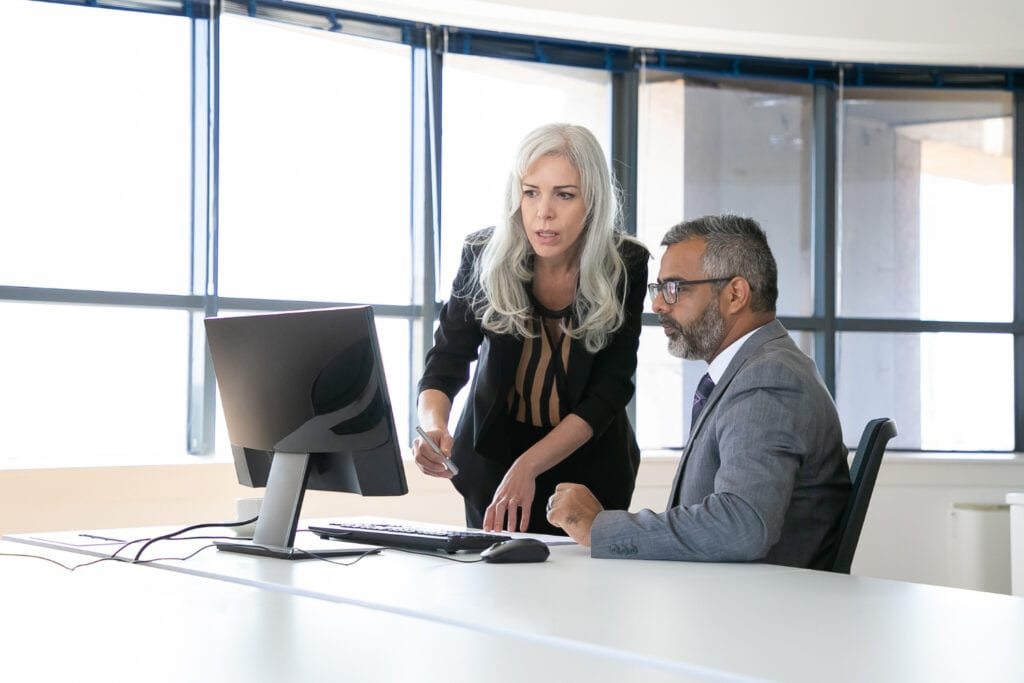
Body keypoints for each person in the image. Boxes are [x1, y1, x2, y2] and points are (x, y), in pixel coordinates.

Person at [546, 214, 851, 568]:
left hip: (752, 613)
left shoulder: (768, 378)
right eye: (658, 289)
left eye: (674, 288)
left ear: (735, 294)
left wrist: (601, 528)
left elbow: (741, 525)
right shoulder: (750, 370)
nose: (658, 304)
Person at [414, 123, 649, 535]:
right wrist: (433, 425)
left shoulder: (624, 265)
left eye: (565, 194)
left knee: (580, 595)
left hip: (589, 468)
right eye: (531, 192)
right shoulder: (483, 254)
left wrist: (528, 467)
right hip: (492, 461)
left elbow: (609, 391)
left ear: (591, 201)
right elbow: (446, 362)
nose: (544, 212)